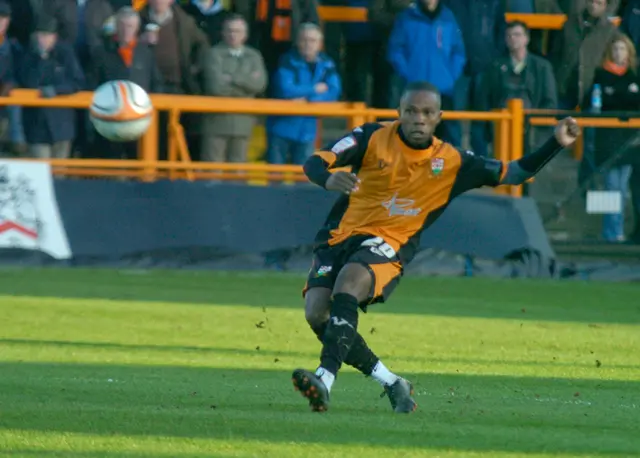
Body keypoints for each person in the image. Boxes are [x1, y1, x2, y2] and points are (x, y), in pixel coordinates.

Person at [292, 81, 580, 413]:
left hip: (390, 242)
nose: (418, 119)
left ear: (438, 117)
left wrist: (556, 142)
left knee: (349, 284)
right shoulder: (371, 137)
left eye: (427, 113)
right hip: (338, 236)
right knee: (317, 313)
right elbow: (316, 161)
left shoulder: (453, 161)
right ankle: (391, 382)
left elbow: (514, 173)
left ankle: (324, 378)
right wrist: (327, 178)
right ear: (398, 113)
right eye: (411, 111)